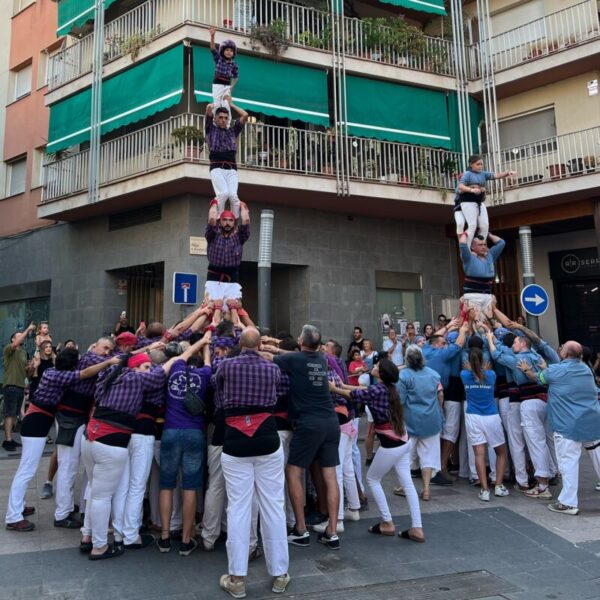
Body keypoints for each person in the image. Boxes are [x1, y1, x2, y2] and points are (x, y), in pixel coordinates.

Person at [80, 351, 181, 560]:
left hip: (90, 436)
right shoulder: (137, 379)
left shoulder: (111, 378)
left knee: (96, 489)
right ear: (134, 368)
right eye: (145, 366)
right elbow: (159, 374)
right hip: (113, 439)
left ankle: (88, 536)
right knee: (104, 495)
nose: (149, 369)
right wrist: (174, 358)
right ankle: (100, 546)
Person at [5, 348, 117, 532]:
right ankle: (13, 516)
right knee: (26, 470)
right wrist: (108, 362)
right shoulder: (62, 376)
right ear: (72, 365)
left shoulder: (51, 371)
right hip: (37, 422)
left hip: (36, 420)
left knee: (26, 469)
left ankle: (18, 506)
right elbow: (86, 373)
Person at [217, 328, 290, 598]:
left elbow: (219, 390)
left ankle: (237, 578)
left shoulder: (225, 365)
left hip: (235, 438)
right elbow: (279, 391)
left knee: (237, 508)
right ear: (261, 345)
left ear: (239, 343)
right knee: (273, 505)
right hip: (267, 436)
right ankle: (280, 575)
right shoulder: (272, 369)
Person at [334, 359, 424, 542]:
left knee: (372, 479)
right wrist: (343, 384)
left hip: (391, 444)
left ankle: (387, 522)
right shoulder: (389, 388)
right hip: (403, 439)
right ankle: (417, 527)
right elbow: (362, 391)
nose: (373, 367)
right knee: (407, 483)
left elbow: (356, 396)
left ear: (381, 374)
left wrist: (333, 388)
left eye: (376, 366)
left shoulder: (378, 389)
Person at [271, 324, 341, 550]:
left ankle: (300, 529)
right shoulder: (321, 359)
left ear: (301, 342)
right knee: (330, 476)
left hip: (308, 423)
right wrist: (275, 345)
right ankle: (332, 531)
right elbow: (291, 355)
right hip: (331, 422)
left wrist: (265, 346)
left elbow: (270, 357)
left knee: (294, 471)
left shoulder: (296, 361)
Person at [521, 341, 600, 515]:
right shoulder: (586, 370)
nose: (559, 349)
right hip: (592, 422)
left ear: (564, 354)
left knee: (568, 463)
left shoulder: (556, 371)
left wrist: (527, 370)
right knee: (598, 458)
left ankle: (568, 503)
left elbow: (539, 378)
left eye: (562, 348)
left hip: (567, 425)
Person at [157, 333, 212, 555]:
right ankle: (187, 539)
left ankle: (164, 537)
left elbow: (186, 353)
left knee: (166, 484)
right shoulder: (205, 374)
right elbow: (208, 362)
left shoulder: (175, 370)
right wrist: (207, 345)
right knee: (190, 486)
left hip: (170, 430)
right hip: (194, 433)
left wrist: (198, 342)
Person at [486, 328, 557, 499]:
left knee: (530, 442)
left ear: (523, 344)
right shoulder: (536, 357)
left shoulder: (518, 360)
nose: (513, 345)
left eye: (516, 342)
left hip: (525, 400)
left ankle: (538, 484)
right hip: (544, 400)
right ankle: (550, 473)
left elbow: (497, 355)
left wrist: (489, 339)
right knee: (544, 439)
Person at [53, 336, 116, 529]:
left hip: (74, 417)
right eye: (104, 347)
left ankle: (66, 507)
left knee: (69, 465)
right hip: (69, 418)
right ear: (94, 346)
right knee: (68, 466)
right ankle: (62, 513)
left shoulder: (94, 360)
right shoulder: (90, 359)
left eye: (109, 350)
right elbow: (115, 363)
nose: (106, 352)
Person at [461, 345, 509, 502]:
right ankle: (499, 485)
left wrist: (470, 368)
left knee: (479, 454)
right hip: (491, 416)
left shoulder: (464, 375)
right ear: (484, 361)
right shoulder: (491, 375)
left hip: (473, 417)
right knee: (501, 452)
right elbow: (483, 374)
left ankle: (484, 489)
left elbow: (470, 372)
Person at [397, 345, 444, 501]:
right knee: (429, 456)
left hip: (410, 421)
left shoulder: (404, 376)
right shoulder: (434, 375)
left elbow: (401, 401)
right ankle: (426, 489)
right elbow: (440, 396)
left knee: (406, 456)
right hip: (431, 420)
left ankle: (405, 487)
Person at [454, 154, 515, 247]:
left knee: (485, 226)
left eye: (481, 164)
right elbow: (460, 187)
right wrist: (472, 189)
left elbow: (496, 175)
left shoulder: (483, 174)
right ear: (471, 164)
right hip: (467, 202)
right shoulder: (467, 174)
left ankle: (479, 245)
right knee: (472, 225)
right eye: (478, 164)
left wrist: (507, 173)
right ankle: (468, 248)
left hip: (479, 202)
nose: (480, 166)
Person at [205, 96, 248, 219]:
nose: (223, 120)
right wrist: (217, 103)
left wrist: (232, 104)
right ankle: (219, 219)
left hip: (232, 169)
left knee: (234, 197)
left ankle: (233, 221)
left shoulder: (233, 131)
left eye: (226, 118)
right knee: (223, 194)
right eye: (220, 118)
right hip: (217, 167)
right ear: (215, 118)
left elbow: (245, 115)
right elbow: (208, 108)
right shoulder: (210, 129)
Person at [205, 198, 250, 296]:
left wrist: (242, 205)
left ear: (234, 223)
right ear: (220, 221)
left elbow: (246, 220)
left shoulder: (239, 237)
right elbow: (212, 219)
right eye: (224, 220)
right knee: (211, 308)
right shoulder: (212, 235)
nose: (227, 223)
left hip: (232, 277)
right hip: (213, 276)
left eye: (230, 220)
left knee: (233, 307)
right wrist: (214, 204)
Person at [459, 231, 505, 321]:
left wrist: (488, 234)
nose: (483, 247)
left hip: (487, 295)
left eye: (484, 244)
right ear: (473, 247)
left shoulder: (490, 256)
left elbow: (501, 243)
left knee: (489, 323)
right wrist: (466, 233)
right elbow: (463, 245)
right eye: (480, 245)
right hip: (473, 296)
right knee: (476, 324)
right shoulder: (468, 257)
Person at [3, 323, 35, 451]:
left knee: (15, 414)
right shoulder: (8, 349)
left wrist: (32, 367)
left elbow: (27, 372)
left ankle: (10, 438)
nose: (22, 337)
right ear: (13, 339)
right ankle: (7, 440)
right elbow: (16, 343)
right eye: (19, 336)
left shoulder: (23, 352)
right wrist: (27, 330)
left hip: (21, 385)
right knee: (9, 414)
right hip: (11, 385)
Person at [209, 27, 239, 126]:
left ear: (233, 53)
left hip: (226, 85)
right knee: (217, 104)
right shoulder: (219, 59)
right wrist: (212, 36)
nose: (229, 52)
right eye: (227, 50)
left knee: (227, 104)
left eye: (231, 50)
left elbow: (235, 77)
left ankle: (228, 125)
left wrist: (231, 88)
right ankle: (215, 124)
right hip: (217, 84)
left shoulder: (234, 64)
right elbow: (213, 49)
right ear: (223, 51)